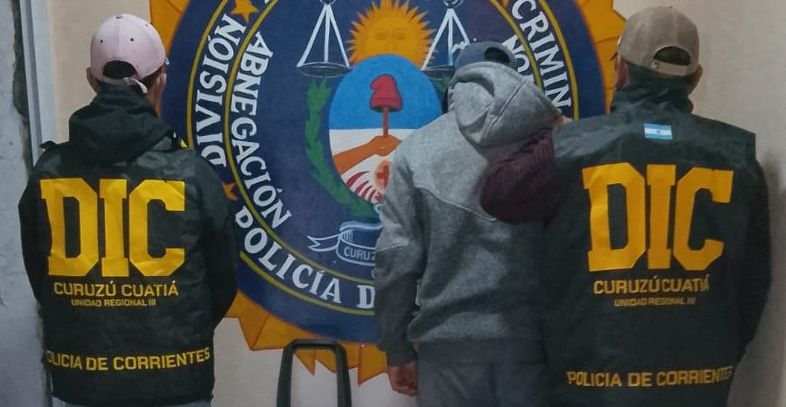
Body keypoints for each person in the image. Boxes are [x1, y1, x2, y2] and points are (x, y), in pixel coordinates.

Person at [481, 7, 770, 407]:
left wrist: (548, 133)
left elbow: (498, 195)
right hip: (700, 380)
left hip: (593, 378)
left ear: (620, 70)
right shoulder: (738, 157)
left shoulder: (571, 147)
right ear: (696, 77)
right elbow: (754, 283)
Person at [18, 14, 237, 407]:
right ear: (160, 82)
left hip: (84, 383)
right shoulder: (192, 173)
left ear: (91, 80)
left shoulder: (48, 174)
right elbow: (223, 281)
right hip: (176, 381)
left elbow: (42, 281)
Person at [374, 41, 561, 406]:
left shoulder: (417, 149)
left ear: (455, 86)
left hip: (447, 356)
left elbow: (395, 258)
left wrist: (396, 347)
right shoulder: (553, 145)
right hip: (531, 352)